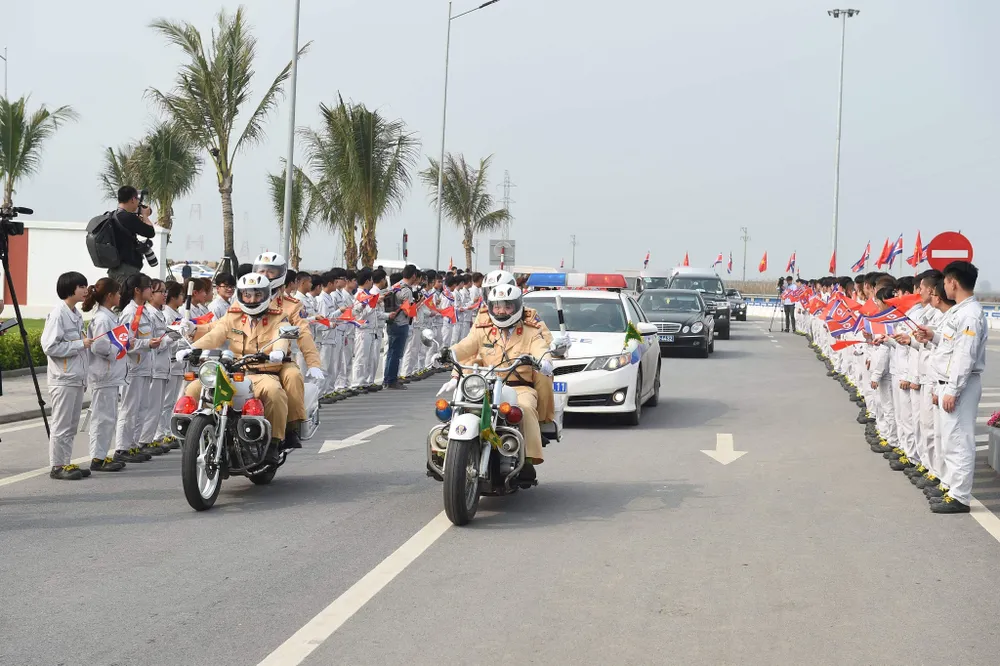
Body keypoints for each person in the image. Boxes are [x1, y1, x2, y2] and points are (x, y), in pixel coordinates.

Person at [443, 284, 556, 482]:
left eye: (507, 306)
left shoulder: (531, 331)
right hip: (485, 384)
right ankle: (446, 449)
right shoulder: (483, 330)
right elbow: (465, 346)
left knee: (526, 409)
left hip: (518, 386)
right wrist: (448, 353)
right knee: (458, 405)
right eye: (497, 307)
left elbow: (542, 350)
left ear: (517, 306)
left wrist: (544, 362)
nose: (501, 311)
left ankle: (527, 460)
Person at [180, 274, 293, 462]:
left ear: (266, 295)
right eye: (247, 295)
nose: (252, 299)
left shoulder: (279, 316)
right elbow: (215, 335)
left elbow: (282, 336)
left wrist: (279, 352)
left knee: (274, 392)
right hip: (232, 371)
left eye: (257, 295)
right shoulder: (232, 316)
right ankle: (193, 438)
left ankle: (274, 442)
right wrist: (192, 349)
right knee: (193, 388)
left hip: (261, 372)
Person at [912, 261, 987, 514]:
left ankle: (960, 497)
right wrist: (931, 335)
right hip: (949, 382)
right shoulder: (959, 312)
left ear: (953, 282)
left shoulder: (970, 314)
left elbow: (964, 356)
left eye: (945, 282)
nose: (944, 286)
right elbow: (949, 345)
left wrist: (953, 390)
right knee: (948, 440)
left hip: (960, 385)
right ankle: (951, 487)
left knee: (958, 441)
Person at [41, 272, 94, 480]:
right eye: (81, 286)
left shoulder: (76, 314)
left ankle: (66, 462)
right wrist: (80, 344)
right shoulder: (58, 314)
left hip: (75, 377)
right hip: (63, 379)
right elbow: (49, 346)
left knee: (71, 424)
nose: (85, 290)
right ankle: (57, 465)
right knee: (62, 424)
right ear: (70, 288)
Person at [115, 273, 168, 460]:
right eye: (148, 287)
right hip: (133, 368)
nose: (150, 291)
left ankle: (134, 445)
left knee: (142, 408)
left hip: (146, 366)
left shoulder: (143, 311)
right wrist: (146, 344)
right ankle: (122, 448)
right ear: (138, 290)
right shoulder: (130, 313)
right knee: (129, 409)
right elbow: (125, 343)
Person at [82, 278, 130, 471]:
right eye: (117, 293)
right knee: (103, 418)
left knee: (108, 417)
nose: (120, 296)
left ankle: (101, 455)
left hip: (110, 374)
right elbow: (99, 345)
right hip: (104, 374)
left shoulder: (109, 316)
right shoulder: (102, 319)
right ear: (109, 296)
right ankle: (97, 458)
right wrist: (116, 350)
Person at [157, 281, 187, 448]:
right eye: (181, 295)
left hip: (178, 362)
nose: (182, 298)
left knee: (173, 401)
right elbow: (168, 340)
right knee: (166, 401)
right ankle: (161, 433)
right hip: (170, 359)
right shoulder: (167, 315)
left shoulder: (175, 314)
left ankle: (168, 431)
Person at [107, 186, 156, 286]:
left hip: (116, 267)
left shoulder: (112, 215)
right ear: (133, 199)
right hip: (126, 270)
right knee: (126, 299)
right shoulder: (127, 217)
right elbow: (150, 232)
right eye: (137, 199)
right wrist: (145, 216)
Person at [384, 265, 419, 389]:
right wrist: (417, 305)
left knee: (391, 352)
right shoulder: (407, 290)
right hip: (401, 323)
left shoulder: (395, 286)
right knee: (397, 354)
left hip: (392, 322)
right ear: (413, 275)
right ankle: (392, 380)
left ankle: (387, 378)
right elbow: (407, 311)